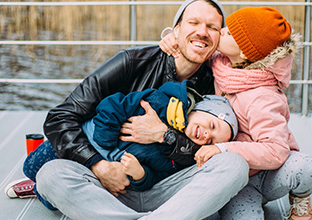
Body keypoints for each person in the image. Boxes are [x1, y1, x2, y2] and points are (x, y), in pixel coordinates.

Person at [6, 0, 250, 220]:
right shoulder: (133, 62)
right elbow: (60, 117)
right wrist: (99, 165)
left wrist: (164, 135)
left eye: (212, 27)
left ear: (218, 38)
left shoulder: (218, 81)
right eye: (193, 22)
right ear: (176, 30)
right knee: (48, 175)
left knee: (234, 165)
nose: (202, 32)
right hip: (110, 184)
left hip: (164, 187)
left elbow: (213, 145)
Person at [161, 6, 312, 220]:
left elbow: (275, 151)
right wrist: (171, 39)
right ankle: (248, 200)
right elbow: (193, 49)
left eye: (230, 32)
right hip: (237, 178)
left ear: (246, 54)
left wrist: (223, 149)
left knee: (308, 167)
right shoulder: (223, 65)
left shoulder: (262, 96)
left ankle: (300, 194)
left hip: (269, 172)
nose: (222, 31)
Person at [8, 81, 237, 197]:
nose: (207, 134)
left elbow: (156, 177)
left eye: (212, 140)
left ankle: (40, 190)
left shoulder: (180, 157)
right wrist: (105, 144)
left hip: (105, 172)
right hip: (87, 140)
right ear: (200, 109)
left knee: (48, 198)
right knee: (30, 167)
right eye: (213, 125)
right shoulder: (160, 102)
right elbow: (112, 105)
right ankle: (36, 180)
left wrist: (139, 174)